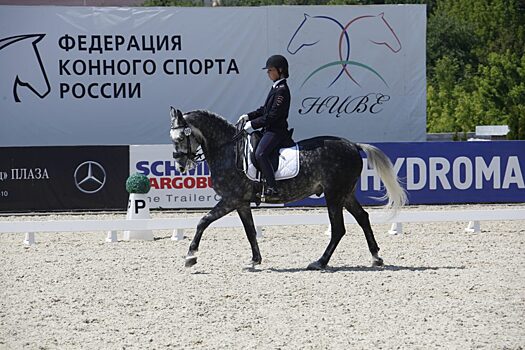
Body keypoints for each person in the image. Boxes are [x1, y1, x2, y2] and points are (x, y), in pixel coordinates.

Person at [238, 54, 292, 197]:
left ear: (280, 70)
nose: (268, 73)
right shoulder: (275, 88)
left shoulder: (282, 90)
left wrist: (253, 124)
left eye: (270, 70)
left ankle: (272, 188)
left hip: (276, 131)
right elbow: (265, 110)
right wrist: (248, 116)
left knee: (260, 153)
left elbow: (272, 116)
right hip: (269, 129)